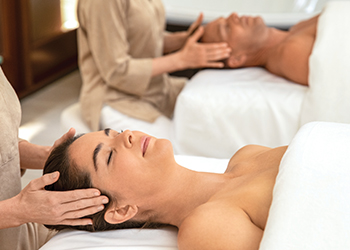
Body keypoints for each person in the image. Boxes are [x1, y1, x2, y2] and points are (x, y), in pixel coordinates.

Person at [43, 128, 288, 250]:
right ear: (121, 210)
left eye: (113, 133)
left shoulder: (248, 155)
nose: (126, 134)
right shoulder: (206, 227)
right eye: (108, 156)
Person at [77, 0, 231, 137]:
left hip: (156, 89)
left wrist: (184, 39)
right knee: (172, 150)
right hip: (115, 98)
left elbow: (143, 37)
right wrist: (182, 59)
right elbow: (117, 71)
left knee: (214, 110)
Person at [0, 67, 109, 250]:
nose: (129, 136)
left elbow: (4, 141)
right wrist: (17, 210)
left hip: (18, 232)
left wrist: (48, 156)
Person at [201, 12, 319, 86]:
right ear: (236, 59)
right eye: (226, 28)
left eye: (226, 18)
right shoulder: (289, 54)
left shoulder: (298, 27)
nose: (233, 15)